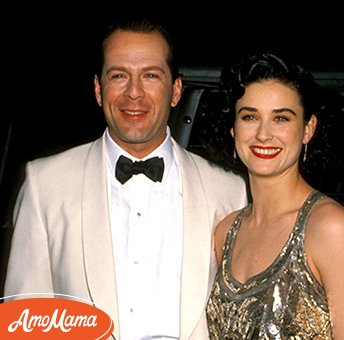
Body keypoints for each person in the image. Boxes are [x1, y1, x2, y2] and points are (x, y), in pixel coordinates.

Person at [4, 18, 247, 339]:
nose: (134, 93)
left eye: (150, 76)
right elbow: (26, 322)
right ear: (98, 89)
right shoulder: (44, 183)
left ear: (175, 90)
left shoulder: (229, 190)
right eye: (119, 75)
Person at [205, 53, 344, 339]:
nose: (263, 134)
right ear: (233, 129)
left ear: (308, 128)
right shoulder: (224, 232)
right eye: (250, 117)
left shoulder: (329, 228)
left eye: (281, 118)